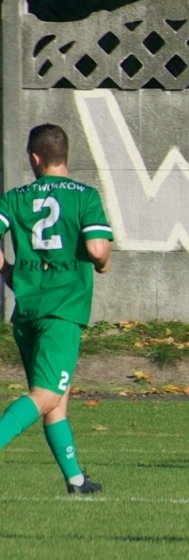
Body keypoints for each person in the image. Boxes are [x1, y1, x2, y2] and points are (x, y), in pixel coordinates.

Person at [0, 124, 113, 494]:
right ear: (65, 154)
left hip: (28, 311)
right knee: (48, 394)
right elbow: (98, 250)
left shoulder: (15, 198)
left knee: (55, 400)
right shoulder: (85, 197)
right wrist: (103, 262)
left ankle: (76, 480)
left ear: (35, 158)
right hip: (63, 312)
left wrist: (8, 272)